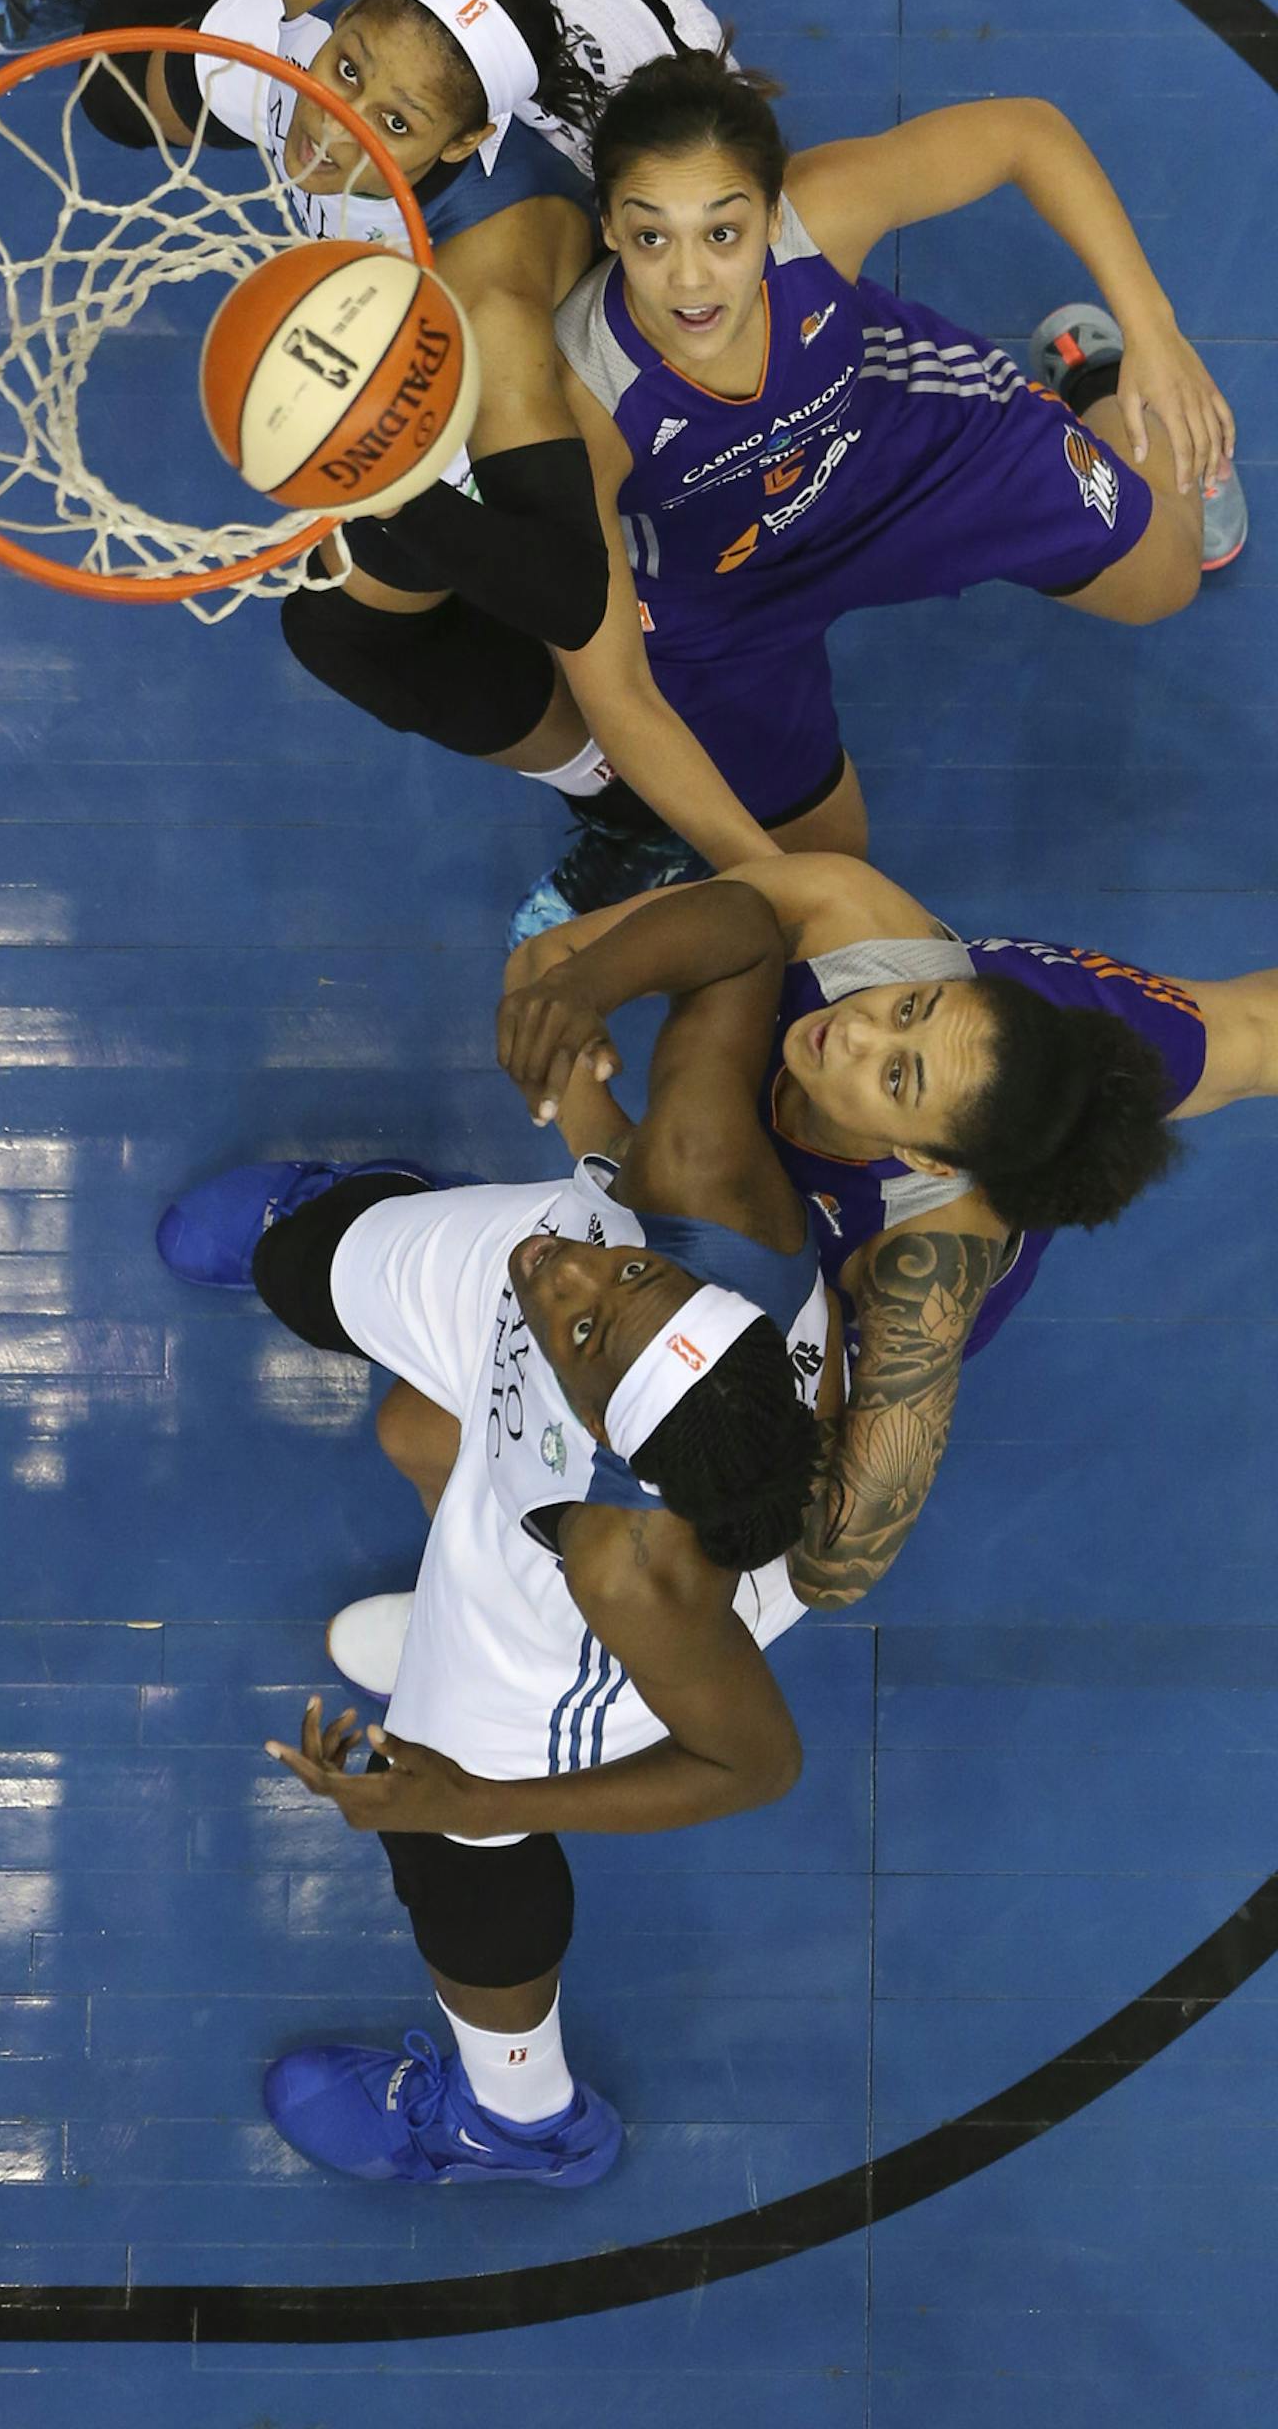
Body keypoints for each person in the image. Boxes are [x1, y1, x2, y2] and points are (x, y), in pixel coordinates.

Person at [0, 0, 787, 896]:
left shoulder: (492, 281)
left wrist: (382, 487)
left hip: (631, 75)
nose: (334, 124)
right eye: (352, 64)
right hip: (470, 29)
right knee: (120, 98)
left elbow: (566, 581)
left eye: (393, 118)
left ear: (461, 144)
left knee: (344, 628)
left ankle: (612, 796)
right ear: (352, 1)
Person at [154, 880, 838, 2188]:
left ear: (608, 1442)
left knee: (440, 1823)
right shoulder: (694, 1199)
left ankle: (517, 2119)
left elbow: (751, 1766)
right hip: (597, 1376)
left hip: (567, 1648)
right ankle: (334, 1214)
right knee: (366, 1301)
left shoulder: (621, 1572)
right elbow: (746, 931)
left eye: (589, 1321)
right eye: (631, 1275)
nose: (572, 1281)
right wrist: (589, 993)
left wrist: (478, 1792)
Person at [510, 47, 1248, 936]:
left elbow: (1024, 132)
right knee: (828, 861)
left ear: (772, 215)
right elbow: (618, 689)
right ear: (611, 228)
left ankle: (1098, 375)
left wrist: (1154, 328)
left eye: (723, 232)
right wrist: (776, 883)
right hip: (720, 594)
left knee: (1166, 578)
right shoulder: (583, 402)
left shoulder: (819, 218)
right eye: (651, 236)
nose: (692, 279)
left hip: (908, 456)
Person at [502, 845, 1277, 1608]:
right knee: (1242, 1034)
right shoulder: (849, 916)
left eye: (895, 1074)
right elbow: (544, 959)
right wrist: (584, 1049)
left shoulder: (924, 1270)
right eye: (908, 1008)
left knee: (1246, 1046)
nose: (855, 1032)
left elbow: (831, 1569)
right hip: (1013, 1032)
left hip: (860, 1261)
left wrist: (622, 1176)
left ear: (923, 1157)